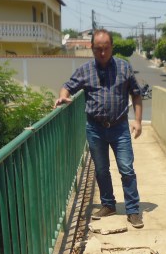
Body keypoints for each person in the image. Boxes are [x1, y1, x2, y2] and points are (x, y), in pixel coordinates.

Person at [54, 29, 144, 228]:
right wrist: (62, 96)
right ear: (92, 49)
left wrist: (137, 121)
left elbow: (136, 94)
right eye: (97, 49)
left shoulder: (124, 68)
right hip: (95, 128)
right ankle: (108, 204)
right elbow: (67, 86)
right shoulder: (85, 70)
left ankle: (133, 210)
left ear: (111, 47)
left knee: (126, 168)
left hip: (119, 127)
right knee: (102, 170)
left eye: (105, 48)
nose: (102, 53)